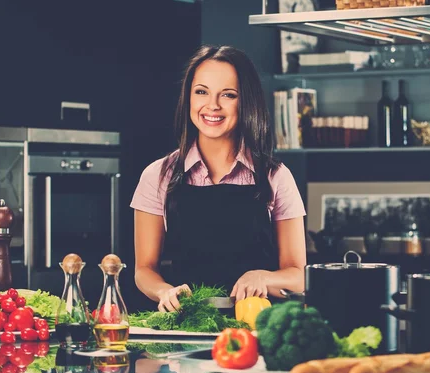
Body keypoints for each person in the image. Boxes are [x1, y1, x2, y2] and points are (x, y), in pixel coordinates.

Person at [130, 45, 307, 312]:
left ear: (246, 101)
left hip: (258, 328)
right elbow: (144, 270)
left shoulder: (276, 176)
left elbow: (298, 275)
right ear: (188, 98)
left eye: (228, 95)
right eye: (201, 92)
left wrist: (262, 277)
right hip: (187, 328)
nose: (212, 105)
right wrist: (164, 291)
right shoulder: (158, 175)